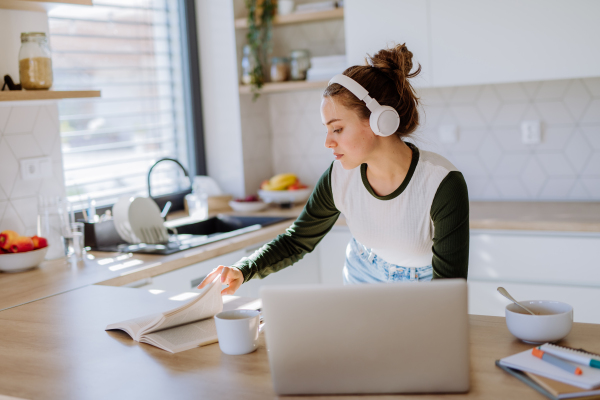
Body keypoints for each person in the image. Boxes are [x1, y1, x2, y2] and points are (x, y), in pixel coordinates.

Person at [199, 43, 469, 296]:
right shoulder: (339, 175)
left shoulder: (441, 184)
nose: (328, 142)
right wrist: (243, 269)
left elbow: (449, 292)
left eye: (337, 129)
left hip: (421, 288)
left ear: (379, 122)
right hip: (362, 275)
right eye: (327, 130)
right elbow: (297, 240)